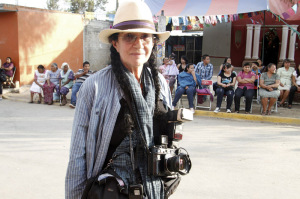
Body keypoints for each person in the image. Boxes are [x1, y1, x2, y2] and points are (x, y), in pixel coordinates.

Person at [65, 1, 172, 199]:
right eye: (129, 36)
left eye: (145, 37)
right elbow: (78, 155)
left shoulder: (160, 85)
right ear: (115, 43)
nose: (138, 44)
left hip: (153, 190)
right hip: (111, 191)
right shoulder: (95, 87)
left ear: (153, 42)